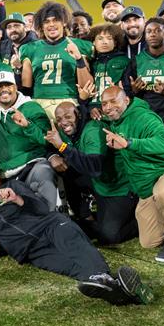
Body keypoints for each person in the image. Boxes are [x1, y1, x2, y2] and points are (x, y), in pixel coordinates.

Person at [0, 165, 152, 305]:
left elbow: (41, 208)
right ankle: (120, 293)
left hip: (50, 226)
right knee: (71, 268)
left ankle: (103, 276)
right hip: (31, 251)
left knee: (76, 248)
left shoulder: (14, 186)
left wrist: (16, 198)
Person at [98, 87, 164, 262]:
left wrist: (129, 143)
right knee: (149, 241)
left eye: (113, 101)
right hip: (149, 187)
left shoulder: (144, 117)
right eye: (104, 103)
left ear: (126, 101)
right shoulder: (116, 122)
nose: (107, 107)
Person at [43, 101, 137, 246]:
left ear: (79, 115)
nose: (63, 122)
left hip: (117, 187)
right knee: (65, 169)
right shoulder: (64, 129)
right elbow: (50, 146)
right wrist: (52, 155)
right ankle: (84, 215)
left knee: (108, 236)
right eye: (59, 119)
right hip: (98, 184)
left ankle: (143, 220)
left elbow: (94, 168)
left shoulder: (93, 129)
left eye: (68, 117)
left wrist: (62, 147)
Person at [0, 70, 58, 208]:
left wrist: (27, 125)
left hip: (32, 164)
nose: (4, 90)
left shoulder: (32, 108)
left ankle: (52, 219)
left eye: (8, 85)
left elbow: (46, 140)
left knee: (44, 176)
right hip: (6, 173)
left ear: (15, 87)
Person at [18, 1, 93, 117]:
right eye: (46, 22)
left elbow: (87, 86)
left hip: (69, 101)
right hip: (39, 102)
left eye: (55, 20)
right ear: (41, 26)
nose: (51, 24)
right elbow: (26, 87)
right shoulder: (29, 49)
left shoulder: (81, 45)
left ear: (64, 22)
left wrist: (79, 58)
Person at [128, 18, 164, 128]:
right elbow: (129, 93)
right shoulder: (137, 60)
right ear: (145, 36)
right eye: (149, 31)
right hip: (147, 117)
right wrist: (135, 91)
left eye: (157, 30)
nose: (152, 34)